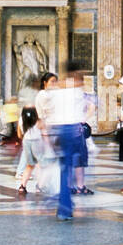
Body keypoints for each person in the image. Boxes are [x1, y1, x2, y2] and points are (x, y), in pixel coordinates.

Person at [41, 60, 89, 221]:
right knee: (71, 168)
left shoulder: (57, 90)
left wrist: (50, 135)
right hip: (72, 131)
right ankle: (64, 206)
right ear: (75, 73)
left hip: (58, 131)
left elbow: (50, 111)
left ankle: (63, 202)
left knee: (65, 169)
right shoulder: (77, 91)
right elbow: (84, 110)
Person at [15, 106, 46, 195]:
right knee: (39, 165)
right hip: (37, 141)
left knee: (29, 165)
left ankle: (22, 186)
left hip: (26, 141)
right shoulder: (38, 121)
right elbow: (44, 132)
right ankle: (40, 186)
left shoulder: (21, 120)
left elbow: (19, 135)